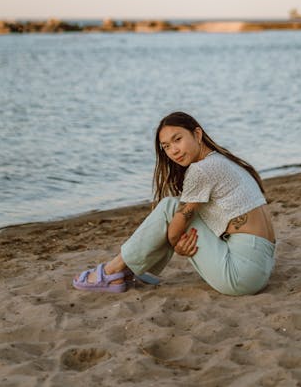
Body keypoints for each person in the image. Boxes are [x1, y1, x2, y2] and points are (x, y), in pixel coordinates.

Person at [73, 112, 276, 296]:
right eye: (166, 147)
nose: (173, 151)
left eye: (177, 139)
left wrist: (178, 245)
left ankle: (113, 270)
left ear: (197, 134)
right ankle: (131, 267)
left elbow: (173, 233)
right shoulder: (223, 161)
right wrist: (177, 238)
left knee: (170, 207)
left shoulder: (202, 170)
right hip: (261, 267)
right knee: (179, 209)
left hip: (241, 274)